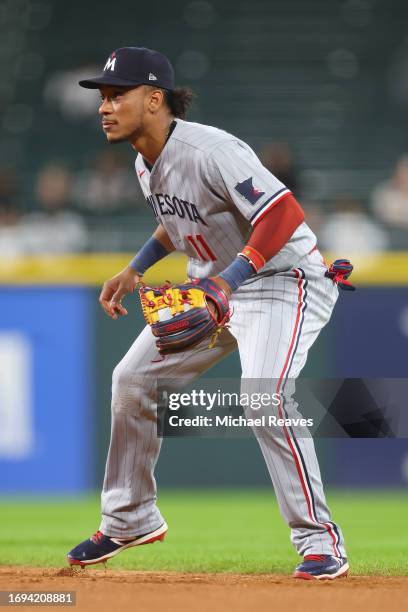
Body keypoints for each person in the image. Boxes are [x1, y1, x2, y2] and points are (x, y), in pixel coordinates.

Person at [67, 47, 349, 580]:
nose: (105, 106)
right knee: (131, 380)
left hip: (281, 281)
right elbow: (178, 223)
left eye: (117, 95)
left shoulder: (210, 148)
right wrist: (136, 268)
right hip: (214, 285)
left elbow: (284, 211)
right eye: (102, 96)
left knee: (264, 395)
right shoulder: (143, 162)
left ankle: (320, 541)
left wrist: (230, 280)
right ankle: (129, 519)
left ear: (155, 100)